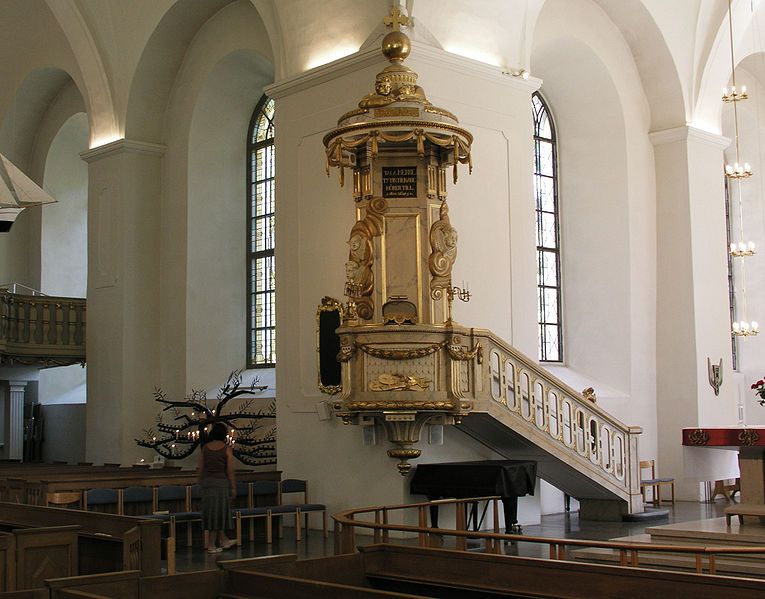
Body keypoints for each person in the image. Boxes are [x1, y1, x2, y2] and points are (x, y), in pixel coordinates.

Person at [197, 422, 236, 553]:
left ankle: (223, 540)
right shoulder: (226, 449)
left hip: (207, 484)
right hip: (220, 484)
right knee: (218, 514)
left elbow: (201, 468)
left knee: (212, 512)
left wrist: (200, 481)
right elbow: (229, 470)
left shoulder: (205, 448)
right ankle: (211, 545)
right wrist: (233, 486)